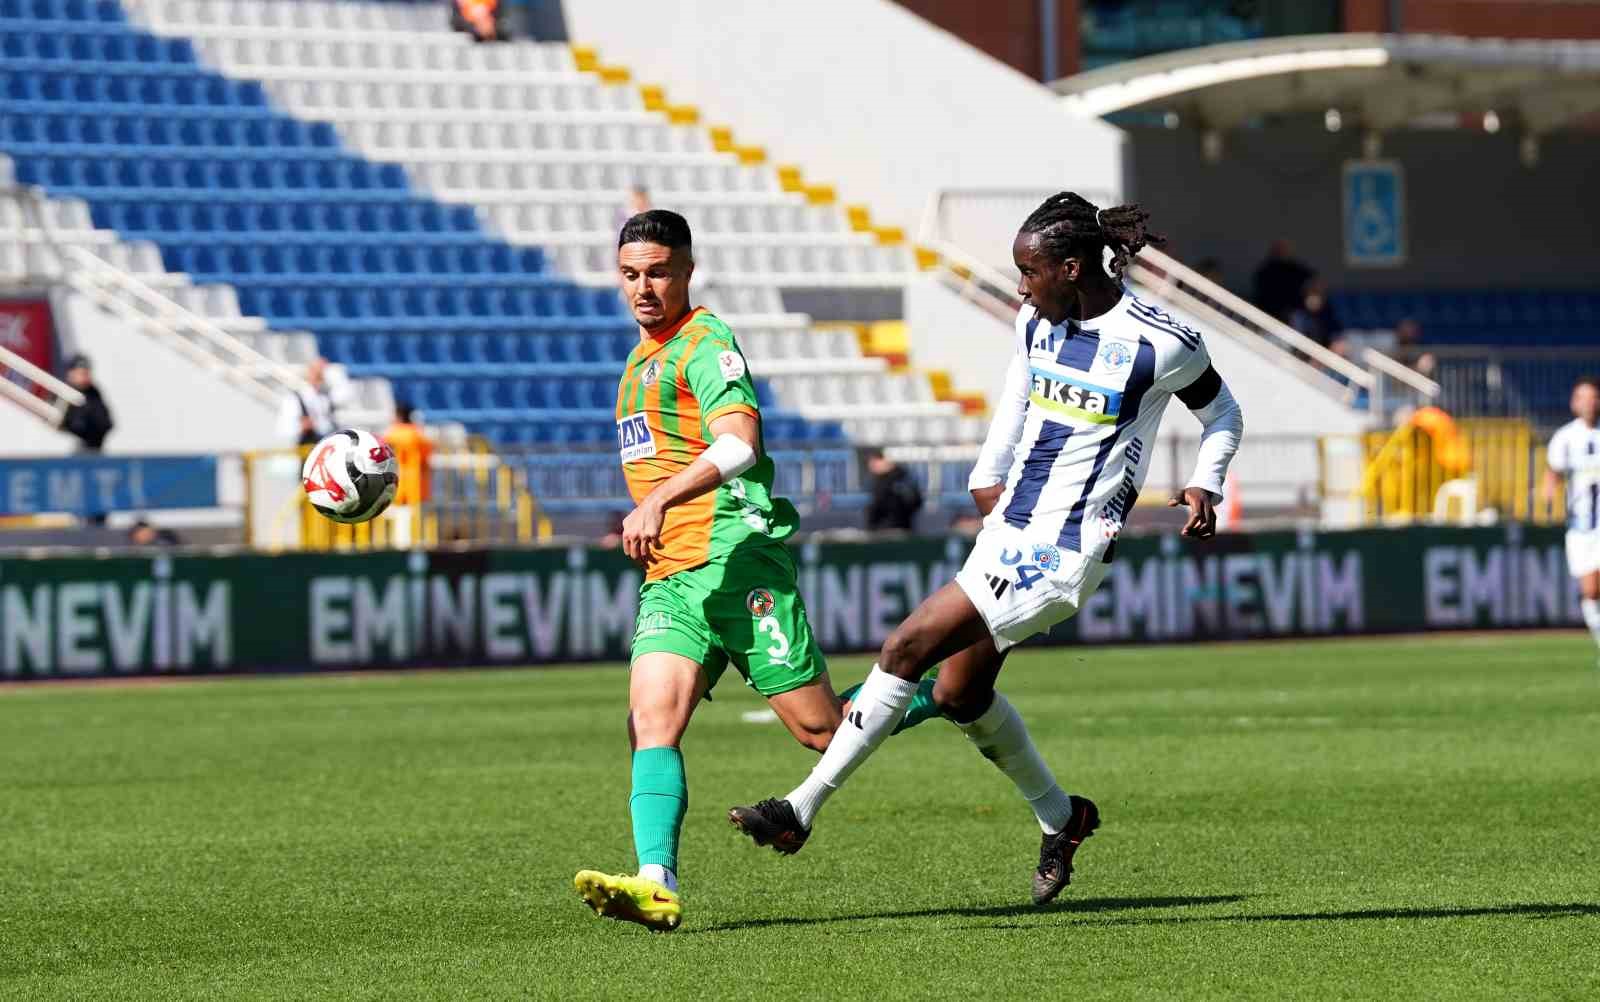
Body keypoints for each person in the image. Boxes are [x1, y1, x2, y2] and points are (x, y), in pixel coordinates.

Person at [729, 192, 1244, 906]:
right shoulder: (1038, 321)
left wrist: (1204, 483)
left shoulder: (1163, 342)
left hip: (1067, 551)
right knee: (961, 694)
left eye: (1029, 272)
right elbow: (1019, 395)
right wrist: (985, 475)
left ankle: (801, 809)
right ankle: (1064, 820)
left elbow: (1222, 412)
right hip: (1009, 530)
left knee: (908, 646)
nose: (1020, 286)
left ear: (1070, 267)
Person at [573, 210, 968, 931]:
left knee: (822, 731)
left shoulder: (706, 342)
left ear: (688, 270)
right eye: (631, 274)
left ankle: (948, 689)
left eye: (658, 271)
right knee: (649, 722)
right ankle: (655, 882)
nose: (644, 287)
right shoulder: (637, 362)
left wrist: (659, 498)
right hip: (674, 579)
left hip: (737, 557)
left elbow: (741, 445)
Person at [1542, 376, 1600, 665]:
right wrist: (1548, 496)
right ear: (1574, 403)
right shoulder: (1565, 437)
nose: (1590, 403)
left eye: (1594, 397)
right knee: (1590, 590)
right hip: (1581, 526)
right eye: (1584, 397)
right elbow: (1553, 471)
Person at [382, 403, 434, 548]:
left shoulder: (391, 434)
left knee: (400, 532)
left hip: (397, 488)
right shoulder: (419, 435)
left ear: (398, 416)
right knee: (417, 532)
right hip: (417, 487)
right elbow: (427, 456)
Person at [276, 357, 340, 447]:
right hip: (307, 452)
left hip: (326, 448)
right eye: (317, 372)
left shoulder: (327, 397)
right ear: (309, 373)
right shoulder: (294, 399)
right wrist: (302, 427)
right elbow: (283, 429)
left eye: (322, 373)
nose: (321, 376)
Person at [59, 354, 113, 452]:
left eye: (86, 373)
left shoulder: (94, 394)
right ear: (71, 374)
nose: (84, 377)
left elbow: (105, 423)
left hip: (91, 449)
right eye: (80, 373)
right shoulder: (62, 393)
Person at [1251, 239, 1313, 324]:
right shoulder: (1265, 271)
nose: (1282, 252)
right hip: (1270, 314)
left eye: (1284, 249)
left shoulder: (1297, 269)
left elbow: (1313, 281)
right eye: (1279, 249)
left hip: (1295, 313)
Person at [863, 448, 923, 531]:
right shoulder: (880, 479)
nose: (871, 466)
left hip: (893, 527)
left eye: (873, 462)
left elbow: (914, 501)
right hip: (888, 527)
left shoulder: (897, 478)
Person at [1289, 276, 1342, 349]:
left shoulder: (1329, 315)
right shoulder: (1297, 315)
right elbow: (1295, 339)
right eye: (1311, 295)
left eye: (1318, 295)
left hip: (1324, 352)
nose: (1314, 300)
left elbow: (1335, 336)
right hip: (1301, 351)